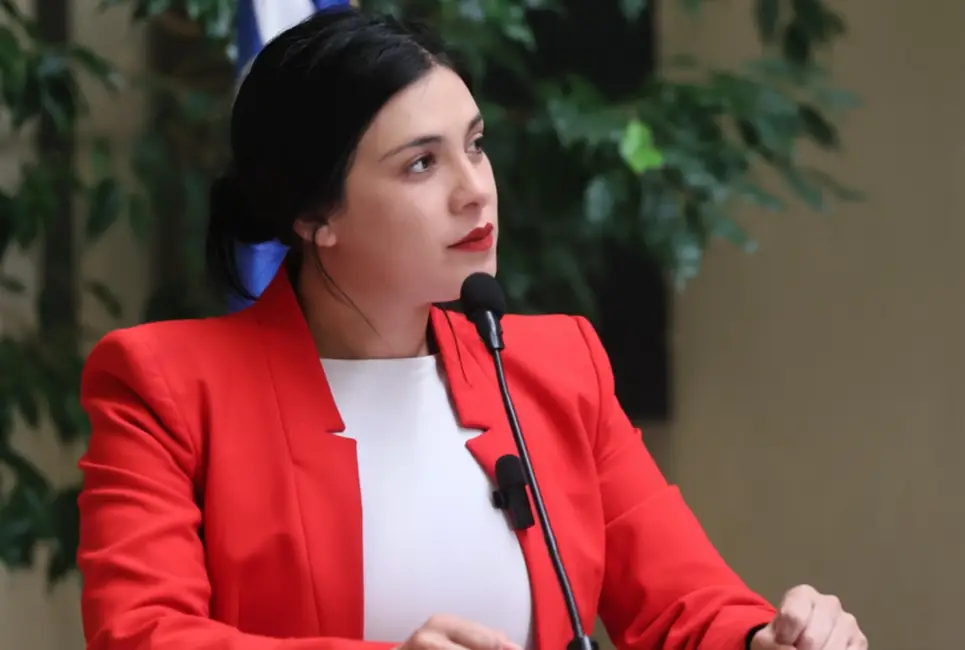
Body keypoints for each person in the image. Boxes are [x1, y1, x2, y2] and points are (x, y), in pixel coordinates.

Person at [76, 8, 868, 650]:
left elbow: (686, 608)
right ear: (315, 215)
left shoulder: (557, 365)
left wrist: (768, 640)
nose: (475, 191)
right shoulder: (167, 386)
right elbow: (141, 635)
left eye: (475, 146)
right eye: (421, 164)